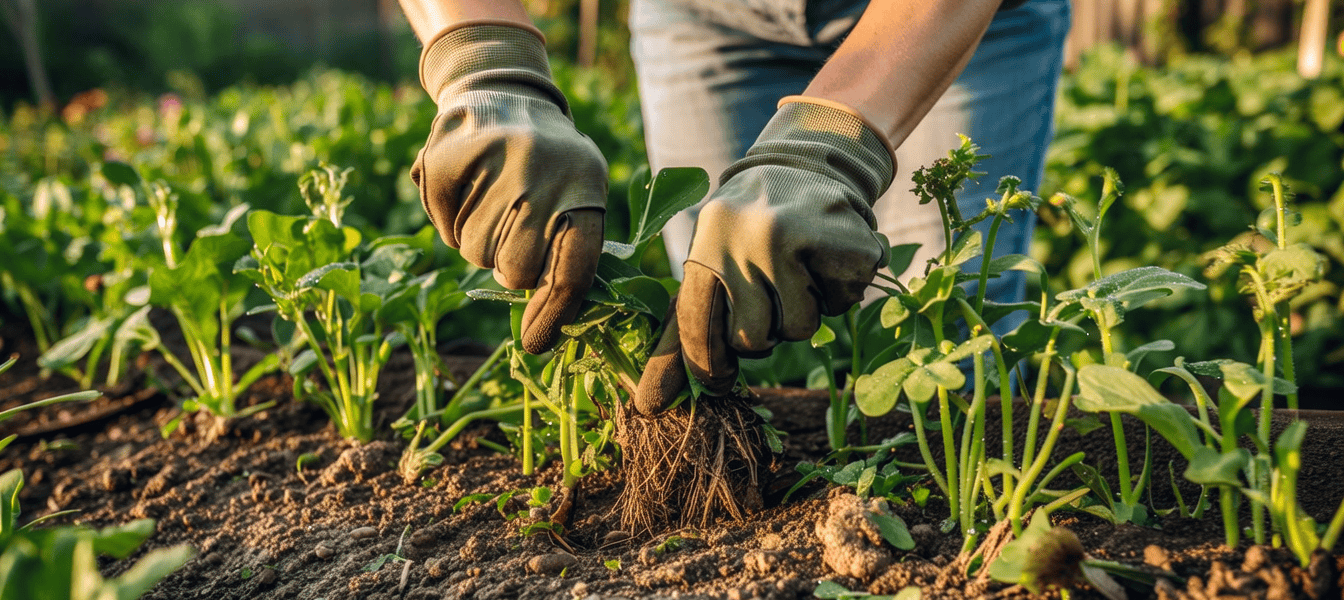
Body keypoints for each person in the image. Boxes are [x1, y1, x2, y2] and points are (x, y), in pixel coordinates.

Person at [395, 0, 1071, 413]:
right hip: (701, 16)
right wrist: (482, 59)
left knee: (947, 350)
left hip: (944, 17)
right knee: (725, 310)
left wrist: (827, 148)